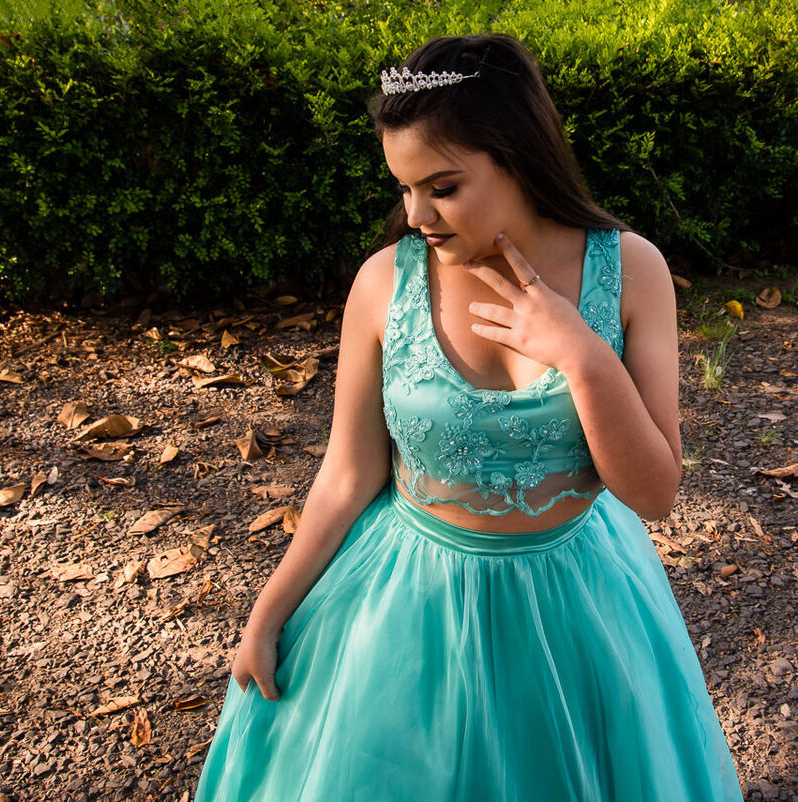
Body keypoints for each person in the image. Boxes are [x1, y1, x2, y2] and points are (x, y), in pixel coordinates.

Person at [195, 33, 743, 801]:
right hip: (409, 606)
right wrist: (269, 611)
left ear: (517, 158)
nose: (417, 214)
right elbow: (349, 474)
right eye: (404, 188)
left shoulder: (630, 270)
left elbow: (654, 493)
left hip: (578, 605)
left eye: (443, 188)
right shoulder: (384, 283)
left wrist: (582, 355)